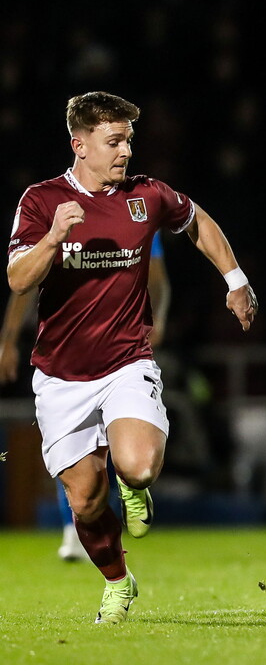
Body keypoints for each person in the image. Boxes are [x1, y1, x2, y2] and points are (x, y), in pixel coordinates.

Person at [6, 91, 258, 624]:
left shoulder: (146, 196)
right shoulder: (41, 201)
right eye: (113, 141)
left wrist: (234, 280)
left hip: (127, 360)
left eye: (128, 141)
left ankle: (134, 482)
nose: (125, 152)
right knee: (84, 502)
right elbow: (17, 279)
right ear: (80, 145)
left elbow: (199, 222)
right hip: (60, 375)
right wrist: (53, 239)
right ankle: (119, 582)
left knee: (138, 465)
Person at [0, 231, 170, 562]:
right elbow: (26, 280)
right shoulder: (54, 212)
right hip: (64, 358)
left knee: (128, 453)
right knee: (75, 454)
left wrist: (158, 317)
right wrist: (8, 339)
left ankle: (131, 483)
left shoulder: (139, 210)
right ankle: (73, 527)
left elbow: (158, 277)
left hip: (122, 355)